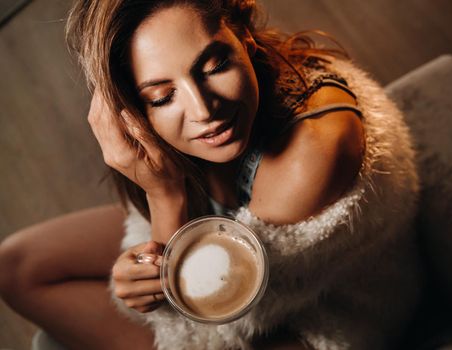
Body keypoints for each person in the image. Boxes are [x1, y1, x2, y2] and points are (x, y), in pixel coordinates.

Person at [0, 0, 423, 349]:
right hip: (229, 246)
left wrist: (165, 200)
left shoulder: (307, 160)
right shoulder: (212, 113)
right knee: (15, 266)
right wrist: (142, 269)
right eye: (162, 96)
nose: (204, 111)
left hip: (327, 312)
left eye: (215, 65)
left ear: (243, 32)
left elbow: (203, 337)